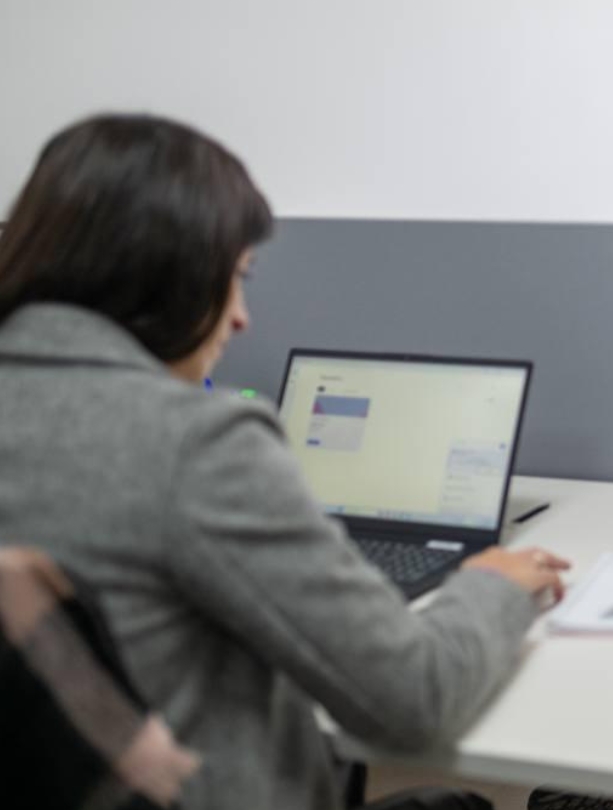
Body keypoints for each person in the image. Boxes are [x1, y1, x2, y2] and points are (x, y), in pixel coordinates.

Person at [0, 115, 571, 810]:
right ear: (167, 274)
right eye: (234, 278)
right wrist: (492, 582)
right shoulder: (195, 442)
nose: (240, 317)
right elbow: (412, 694)